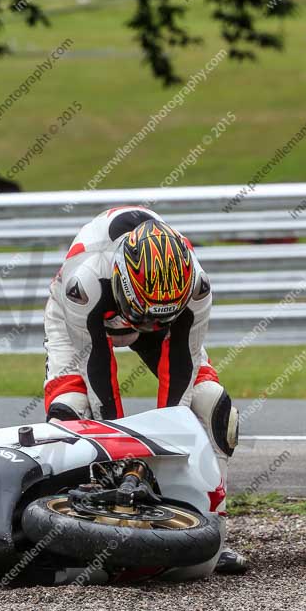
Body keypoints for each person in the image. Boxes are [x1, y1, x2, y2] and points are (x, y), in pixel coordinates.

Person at [43, 205, 247, 573]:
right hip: (82, 318)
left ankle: (212, 532)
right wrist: (123, 458)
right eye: (147, 313)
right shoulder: (84, 281)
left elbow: (179, 381)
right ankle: (71, 536)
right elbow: (100, 380)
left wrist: (157, 458)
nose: (152, 323)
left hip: (156, 319)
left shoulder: (196, 286)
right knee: (71, 412)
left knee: (215, 409)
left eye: (162, 315)